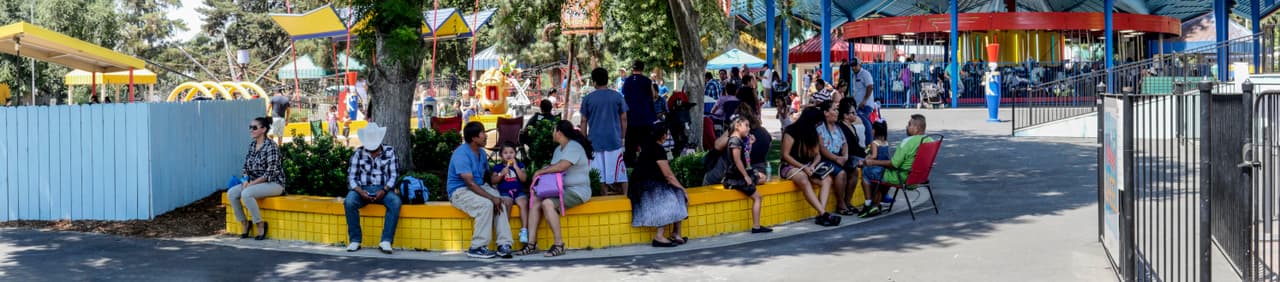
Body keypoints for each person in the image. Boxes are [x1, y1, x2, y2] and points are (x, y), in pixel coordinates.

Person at [519, 120, 594, 257]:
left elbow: (561, 166)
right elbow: (553, 170)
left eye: (554, 131)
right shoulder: (558, 150)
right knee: (535, 198)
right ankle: (531, 243)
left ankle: (559, 244)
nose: (552, 133)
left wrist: (540, 172)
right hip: (561, 189)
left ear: (559, 133)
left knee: (547, 203)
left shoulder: (574, 147)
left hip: (577, 191)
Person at [449, 122, 515, 259]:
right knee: (486, 205)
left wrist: (501, 176)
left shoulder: (482, 153)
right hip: (460, 190)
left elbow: (488, 178)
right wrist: (491, 198)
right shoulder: (461, 154)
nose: (486, 136)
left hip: (478, 186)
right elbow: (470, 183)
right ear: (474, 138)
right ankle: (477, 247)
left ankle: (504, 245)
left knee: (500, 202)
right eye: (483, 133)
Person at [343, 122, 402, 254]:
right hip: (362, 189)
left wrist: (384, 190)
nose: (372, 149)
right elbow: (351, 177)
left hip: (384, 189)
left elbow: (394, 175)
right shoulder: (358, 153)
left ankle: (386, 240)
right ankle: (355, 240)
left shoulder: (390, 152)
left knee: (395, 202)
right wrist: (359, 191)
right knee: (349, 202)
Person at [860, 114, 933, 218]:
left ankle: (869, 204)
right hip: (918, 178)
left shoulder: (907, 142)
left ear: (917, 129)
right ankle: (878, 202)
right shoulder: (929, 140)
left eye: (909, 124)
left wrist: (873, 162)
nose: (906, 127)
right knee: (880, 171)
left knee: (867, 171)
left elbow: (894, 164)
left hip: (902, 177)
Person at [628, 124, 689, 247]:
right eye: (666, 133)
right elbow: (668, 175)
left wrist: (681, 190)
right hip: (644, 186)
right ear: (663, 135)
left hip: (650, 183)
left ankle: (676, 233)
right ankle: (659, 236)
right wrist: (683, 188)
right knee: (667, 199)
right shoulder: (657, 149)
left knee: (679, 194)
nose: (667, 136)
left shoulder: (651, 147)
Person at [229, 117, 287, 241]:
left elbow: (270, 173)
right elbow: (245, 167)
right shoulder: (252, 145)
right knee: (232, 193)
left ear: (263, 129)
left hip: (274, 184)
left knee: (246, 193)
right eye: (250, 127)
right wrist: (245, 180)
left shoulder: (271, 146)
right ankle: (245, 223)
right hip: (254, 183)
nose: (251, 130)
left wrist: (250, 185)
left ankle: (260, 224)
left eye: (254, 127)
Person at [781, 107, 839, 227]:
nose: (819, 125)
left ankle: (820, 215)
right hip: (790, 166)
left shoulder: (813, 132)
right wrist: (803, 167)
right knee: (803, 179)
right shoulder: (791, 131)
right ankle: (824, 214)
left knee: (827, 179)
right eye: (817, 122)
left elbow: (817, 155)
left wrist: (812, 166)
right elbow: (785, 155)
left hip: (808, 166)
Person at [580, 67, 630, 196]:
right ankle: (625, 197)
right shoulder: (617, 96)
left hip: (595, 142)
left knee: (599, 173)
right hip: (614, 140)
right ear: (607, 80)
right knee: (620, 171)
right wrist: (623, 137)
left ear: (594, 82)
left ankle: (605, 197)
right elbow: (624, 118)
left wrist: (584, 141)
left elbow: (583, 122)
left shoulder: (587, 99)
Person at [722, 116, 772, 234]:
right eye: (746, 126)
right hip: (737, 177)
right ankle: (756, 226)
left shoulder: (738, 140)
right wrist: (746, 176)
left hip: (738, 176)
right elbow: (737, 161)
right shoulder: (734, 141)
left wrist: (750, 144)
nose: (749, 129)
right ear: (738, 126)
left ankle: (757, 226)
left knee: (761, 178)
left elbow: (746, 157)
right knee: (758, 197)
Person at [815, 100, 854, 216]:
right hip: (825, 159)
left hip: (839, 157)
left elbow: (844, 143)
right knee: (841, 173)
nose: (837, 112)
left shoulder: (837, 127)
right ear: (826, 113)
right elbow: (822, 148)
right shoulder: (819, 128)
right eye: (834, 109)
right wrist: (837, 159)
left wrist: (845, 156)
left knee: (854, 171)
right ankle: (841, 204)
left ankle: (848, 202)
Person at [491, 142, 531, 245]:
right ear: (500, 155)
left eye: (511, 152)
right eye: (505, 153)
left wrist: (516, 167)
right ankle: (506, 232)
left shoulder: (520, 165)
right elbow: (493, 180)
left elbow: (523, 179)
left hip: (518, 192)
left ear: (515, 154)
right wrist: (501, 174)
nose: (508, 155)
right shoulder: (498, 167)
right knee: (506, 204)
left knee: (524, 203)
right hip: (505, 192)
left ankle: (524, 231)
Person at [621, 61, 657, 169]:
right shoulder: (647, 81)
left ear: (632, 69)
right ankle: (646, 170)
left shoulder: (627, 81)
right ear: (643, 69)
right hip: (645, 120)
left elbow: (624, 94)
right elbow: (654, 96)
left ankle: (630, 171)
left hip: (631, 120)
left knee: (630, 149)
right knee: (647, 148)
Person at [857, 122, 891, 218]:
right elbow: (887, 157)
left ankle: (868, 202)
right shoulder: (885, 143)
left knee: (865, 173)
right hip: (883, 169)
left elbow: (874, 156)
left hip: (876, 169)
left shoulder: (874, 143)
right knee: (877, 187)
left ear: (874, 131)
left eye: (872, 128)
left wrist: (866, 159)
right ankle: (875, 204)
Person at [848, 59, 876, 147]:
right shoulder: (854, 75)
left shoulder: (865, 74)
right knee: (862, 123)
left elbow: (870, 87)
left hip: (865, 104)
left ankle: (869, 145)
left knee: (865, 122)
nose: (853, 67)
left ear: (860, 64)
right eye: (852, 66)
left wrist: (864, 100)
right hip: (858, 104)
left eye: (855, 65)